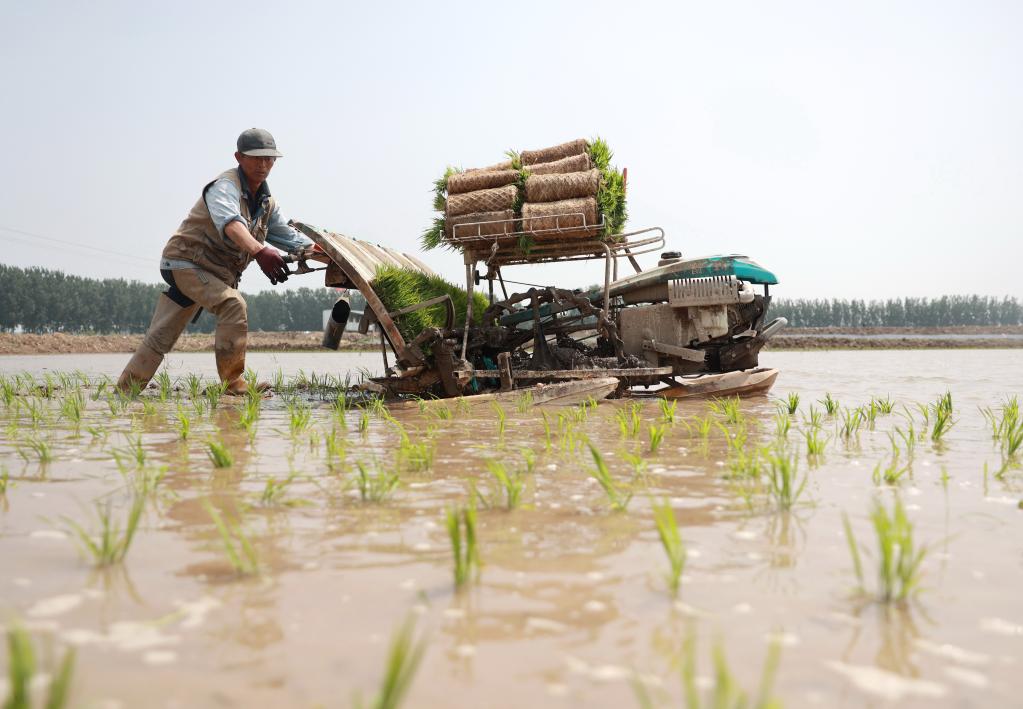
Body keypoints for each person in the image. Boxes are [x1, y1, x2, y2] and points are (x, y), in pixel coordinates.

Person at [117, 128, 314, 394]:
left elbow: (289, 237)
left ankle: (123, 394)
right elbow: (232, 225)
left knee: (161, 335)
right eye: (256, 158)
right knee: (232, 303)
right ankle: (233, 384)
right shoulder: (225, 187)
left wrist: (324, 252)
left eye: (269, 158)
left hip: (214, 274)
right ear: (239, 157)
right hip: (186, 263)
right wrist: (259, 251)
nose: (263, 164)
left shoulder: (266, 203)